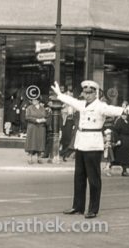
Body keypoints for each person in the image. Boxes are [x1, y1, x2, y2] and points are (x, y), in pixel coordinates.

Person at [52, 80, 123, 219]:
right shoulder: (82, 104)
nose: (87, 95)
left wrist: (125, 110)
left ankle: (93, 209)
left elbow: (112, 110)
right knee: (79, 177)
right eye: (85, 92)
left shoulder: (100, 106)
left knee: (93, 178)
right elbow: (71, 101)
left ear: (95, 93)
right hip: (81, 143)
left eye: (90, 93)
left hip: (93, 144)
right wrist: (60, 94)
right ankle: (78, 206)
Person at [110, 106, 129, 176]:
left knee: (125, 157)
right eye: (123, 115)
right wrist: (118, 140)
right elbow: (115, 131)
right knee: (120, 157)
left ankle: (124, 170)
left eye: (125, 115)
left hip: (128, 141)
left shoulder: (128, 121)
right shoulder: (119, 122)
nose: (124, 116)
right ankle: (112, 169)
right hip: (122, 140)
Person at [24, 97, 47, 164]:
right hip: (32, 127)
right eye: (33, 100)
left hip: (41, 127)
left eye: (35, 100)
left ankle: (39, 157)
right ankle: (30, 158)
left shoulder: (42, 108)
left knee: (40, 142)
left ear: (38, 101)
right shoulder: (29, 108)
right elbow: (27, 117)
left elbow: (45, 116)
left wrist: (44, 120)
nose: (34, 101)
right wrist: (36, 120)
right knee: (32, 142)